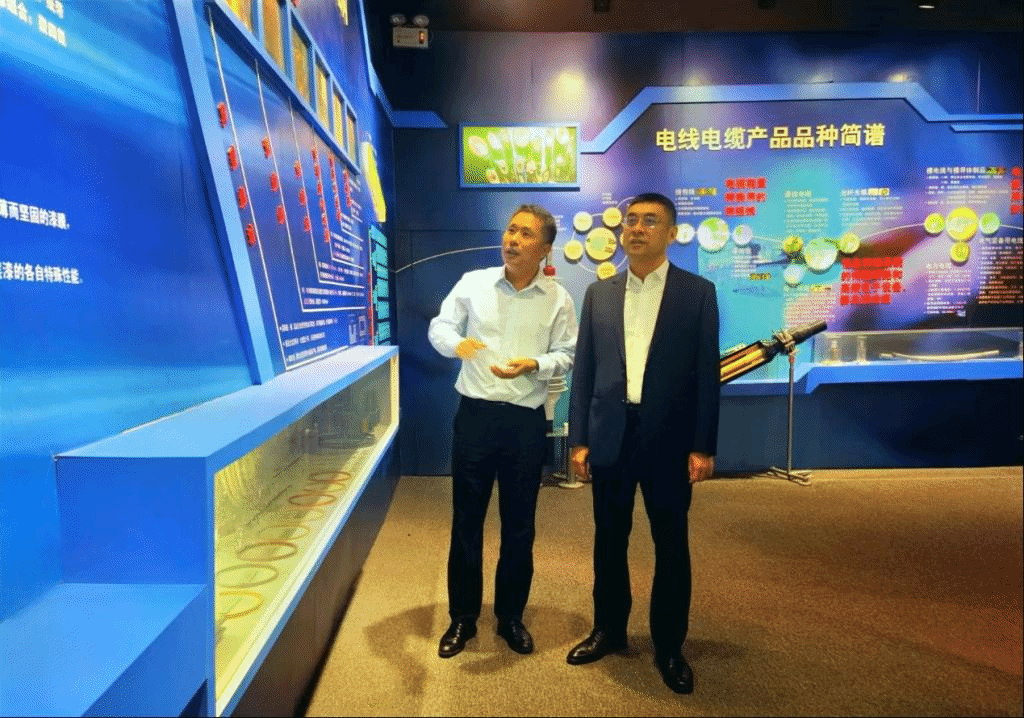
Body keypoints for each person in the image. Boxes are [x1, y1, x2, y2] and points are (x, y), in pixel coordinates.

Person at [565, 192, 720, 694]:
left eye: (650, 221)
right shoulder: (600, 293)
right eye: (631, 220)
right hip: (611, 434)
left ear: (671, 233)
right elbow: (584, 371)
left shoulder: (697, 293)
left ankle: (669, 646)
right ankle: (608, 629)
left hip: (669, 440)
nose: (636, 228)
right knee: (609, 539)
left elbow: (707, 376)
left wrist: (703, 446)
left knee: (670, 544)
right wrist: (579, 438)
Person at [428, 204, 577, 658]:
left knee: (519, 527)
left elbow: (568, 353)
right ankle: (462, 618)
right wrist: (458, 344)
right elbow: (439, 326)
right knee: (466, 523)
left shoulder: (558, 299)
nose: (512, 240)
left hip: (524, 424)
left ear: (545, 248)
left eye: (526, 234)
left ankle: (511, 617)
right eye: (511, 230)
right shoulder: (473, 283)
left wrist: (535, 364)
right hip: (474, 418)